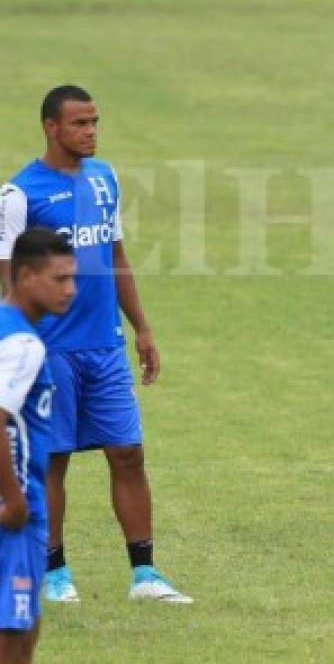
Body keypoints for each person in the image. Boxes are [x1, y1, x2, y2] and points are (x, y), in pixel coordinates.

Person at [0, 86, 190, 604]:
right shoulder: (20, 195)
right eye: (80, 123)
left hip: (103, 346)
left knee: (127, 453)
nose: (90, 131)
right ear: (50, 127)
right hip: (50, 350)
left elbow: (115, 255)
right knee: (52, 459)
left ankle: (145, 574)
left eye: (94, 122)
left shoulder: (104, 179)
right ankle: (54, 575)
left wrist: (141, 327)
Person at [0, 228, 77, 663]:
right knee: (14, 625)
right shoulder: (23, 345)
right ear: (26, 277)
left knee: (26, 622)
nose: (71, 290)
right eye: (60, 279)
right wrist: (13, 500)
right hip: (19, 501)